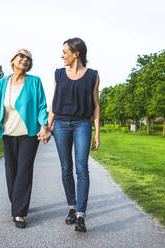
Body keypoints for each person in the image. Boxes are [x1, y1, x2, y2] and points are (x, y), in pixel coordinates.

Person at [0, 49, 50, 229]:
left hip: (29, 134)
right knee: (11, 171)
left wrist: (44, 126)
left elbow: (42, 106)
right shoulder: (3, 82)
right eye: (21, 56)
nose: (25, 59)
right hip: (8, 133)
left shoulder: (34, 82)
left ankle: (19, 212)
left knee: (24, 171)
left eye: (28, 58)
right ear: (13, 60)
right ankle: (17, 201)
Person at [48, 38, 100, 232]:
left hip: (82, 124)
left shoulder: (93, 76)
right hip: (61, 123)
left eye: (65, 52)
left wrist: (97, 132)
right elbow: (54, 102)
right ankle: (71, 207)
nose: (62, 55)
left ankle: (80, 215)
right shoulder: (59, 74)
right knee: (66, 168)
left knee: (81, 168)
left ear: (76, 53)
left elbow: (96, 106)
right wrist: (47, 126)